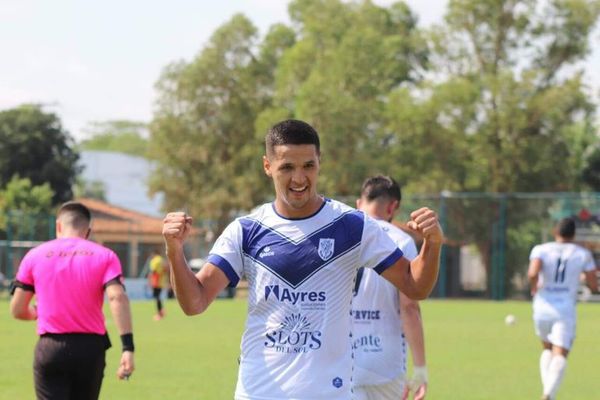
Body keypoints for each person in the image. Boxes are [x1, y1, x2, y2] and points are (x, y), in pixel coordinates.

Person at [162, 119, 443, 400]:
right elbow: (194, 302)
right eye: (287, 167)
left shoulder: (353, 226)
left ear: (320, 162)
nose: (299, 178)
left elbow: (414, 285)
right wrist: (174, 252)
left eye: (308, 165)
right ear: (267, 166)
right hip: (258, 392)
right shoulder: (246, 230)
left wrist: (432, 244)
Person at [10, 201, 135, 400]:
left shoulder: (35, 255)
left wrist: (36, 313)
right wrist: (127, 348)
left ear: (58, 226)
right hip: (90, 349)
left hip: (51, 347)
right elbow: (116, 297)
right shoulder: (105, 256)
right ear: (88, 231)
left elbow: (17, 310)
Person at [352, 176, 428, 400]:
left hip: (342, 361)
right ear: (393, 206)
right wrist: (421, 369)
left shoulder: (340, 237)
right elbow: (409, 308)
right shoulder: (401, 241)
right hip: (385, 362)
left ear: (359, 203)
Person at [527, 217, 598, 400]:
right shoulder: (582, 253)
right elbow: (592, 283)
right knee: (560, 353)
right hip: (564, 309)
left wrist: (535, 286)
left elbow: (533, 273)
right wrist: (591, 286)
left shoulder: (540, 249)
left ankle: (548, 392)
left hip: (541, 306)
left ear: (555, 232)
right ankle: (548, 394)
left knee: (547, 349)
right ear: (573, 235)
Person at [148, 248, 167, 320]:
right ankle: (161, 311)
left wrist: (150, 281)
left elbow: (153, 271)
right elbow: (165, 269)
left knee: (156, 296)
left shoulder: (154, 261)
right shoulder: (162, 260)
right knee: (158, 296)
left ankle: (160, 313)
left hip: (156, 281)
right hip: (162, 280)